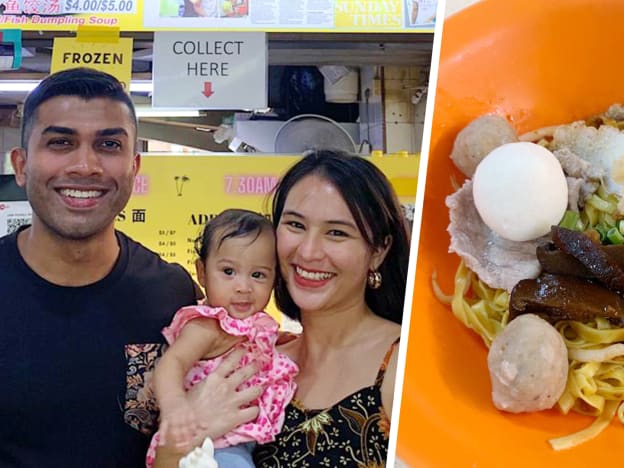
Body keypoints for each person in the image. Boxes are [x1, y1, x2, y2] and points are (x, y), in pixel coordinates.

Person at [0, 67, 260, 468]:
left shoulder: (173, 296)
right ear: (21, 165)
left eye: (108, 144)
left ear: (134, 167)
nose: (85, 166)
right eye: (61, 142)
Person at [251, 149, 410, 467]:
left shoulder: (404, 363)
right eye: (295, 225)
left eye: (336, 233)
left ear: (379, 250)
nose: (308, 252)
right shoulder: (260, 363)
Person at [146, 209, 298, 468]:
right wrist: (175, 406)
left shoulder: (251, 327)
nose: (243, 287)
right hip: (211, 445)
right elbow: (172, 363)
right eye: (228, 271)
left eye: (258, 275)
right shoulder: (207, 325)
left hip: (237, 437)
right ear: (202, 272)